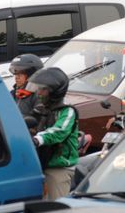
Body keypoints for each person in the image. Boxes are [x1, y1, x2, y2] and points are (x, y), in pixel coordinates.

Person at [27, 68, 79, 200]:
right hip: (41, 164)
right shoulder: (40, 109)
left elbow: (59, 131)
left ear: (55, 91)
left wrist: (38, 139)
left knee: (56, 207)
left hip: (58, 167)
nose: (39, 93)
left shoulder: (68, 111)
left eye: (43, 89)